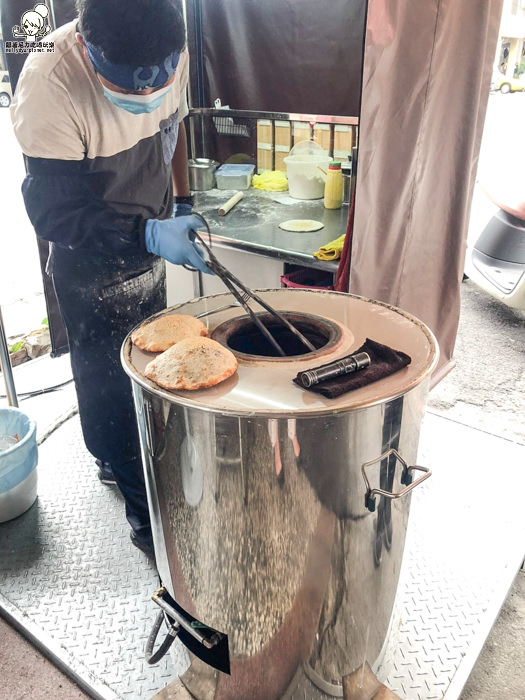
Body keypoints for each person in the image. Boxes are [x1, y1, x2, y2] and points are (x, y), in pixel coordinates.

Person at [10, 0, 211, 558]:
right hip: (90, 261)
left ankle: (134, 463)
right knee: (110, 397)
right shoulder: (49, 78)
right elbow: (56, 214)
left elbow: (170, 133)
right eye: (128, 83)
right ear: (90, 51)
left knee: (156, 372)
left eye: (159, 76)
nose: (147, 94)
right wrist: (145, 236)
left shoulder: (172, 42)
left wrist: (180, 206)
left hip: (150, 237)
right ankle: (146, 518)